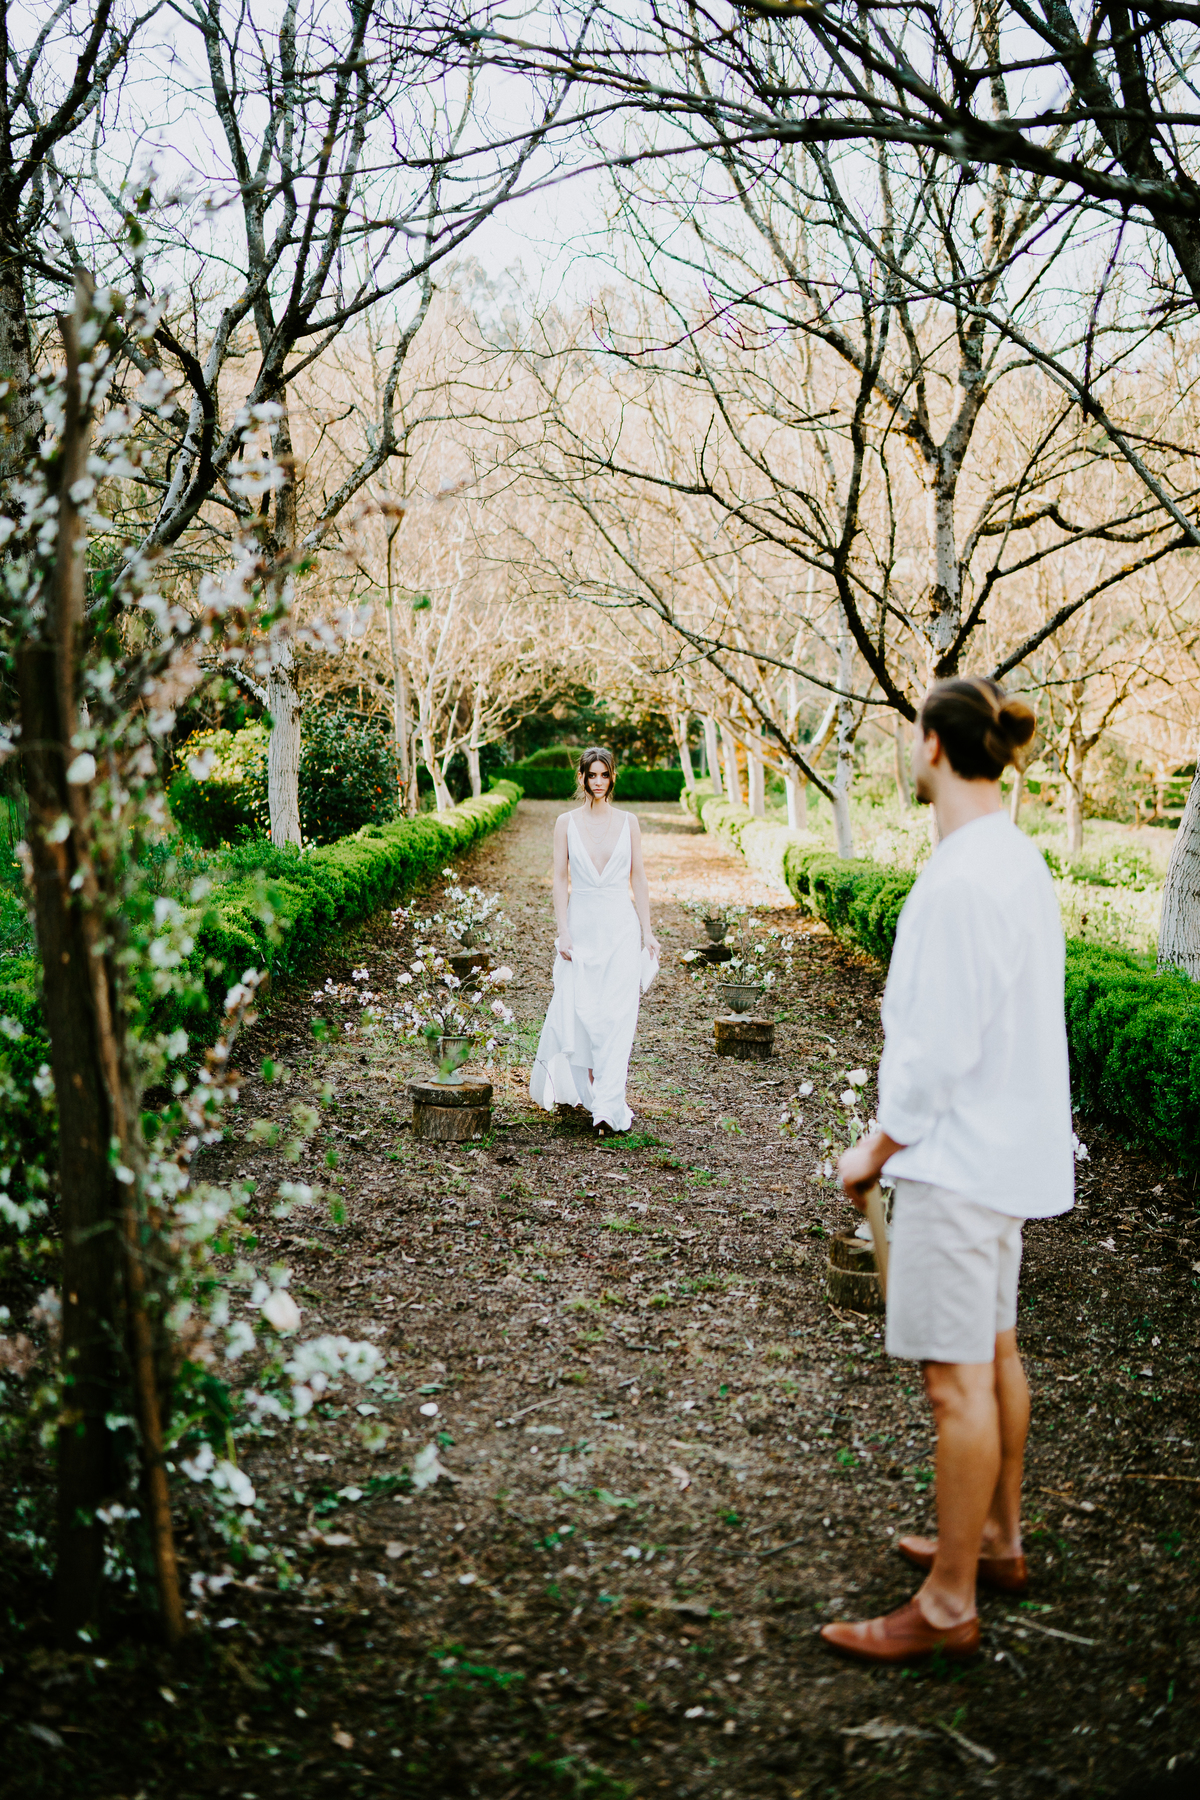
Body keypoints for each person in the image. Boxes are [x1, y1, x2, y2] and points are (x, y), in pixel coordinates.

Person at [821, 675, 1074, 1666]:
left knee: (955, 1387)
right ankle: (998, 1540)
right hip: (1004, 1159)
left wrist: (875, 1150)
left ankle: (948, 1602)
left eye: (908, 735)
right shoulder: (1015, 858)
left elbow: (935, 1052)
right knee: (997, 1356)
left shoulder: (961, 879)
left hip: (959, 1167)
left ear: (932, 745)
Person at [529, 747, 661, 1134]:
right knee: (583, 1012)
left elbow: (639, 877)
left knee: (618, 1016)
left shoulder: (629, 821)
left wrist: (647, 930)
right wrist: (563, 931)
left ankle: (606, 1107)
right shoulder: (565, 823)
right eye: (592, 775)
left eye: (604, 774)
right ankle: (591, 1092)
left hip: (621, 927)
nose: (598, 781)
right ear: (582, 778)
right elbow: (559, 879)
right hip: (582, 927)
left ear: (612, 777)